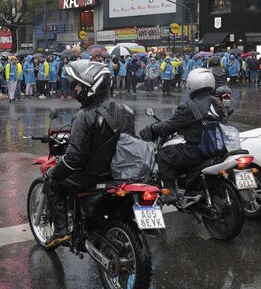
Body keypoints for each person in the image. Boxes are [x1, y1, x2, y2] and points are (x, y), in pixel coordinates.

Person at [41, 60, 135, 248]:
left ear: (91, 87)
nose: (75, 88)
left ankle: (61, 232)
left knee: (51, 180)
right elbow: (129, 140)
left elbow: (74, 159)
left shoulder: (84, 115)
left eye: (78, 85)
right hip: (118, 173)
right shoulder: (125, 110)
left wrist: (54, 173)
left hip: (92, 175)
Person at [139, 68, 227, 203]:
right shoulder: (217, 102)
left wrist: (152, 128)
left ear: (192, 84)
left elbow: (169, 126)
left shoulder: (189, 107)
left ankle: (170, 192)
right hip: (218, 147)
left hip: (197, 150)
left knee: (163, 154)